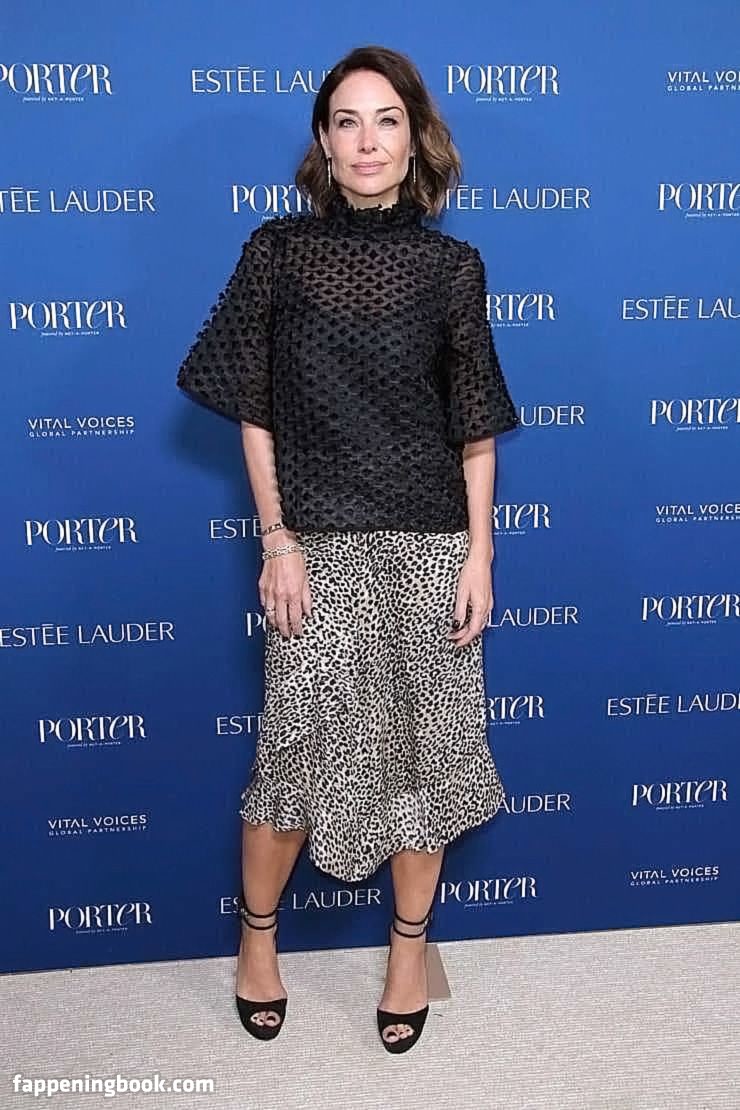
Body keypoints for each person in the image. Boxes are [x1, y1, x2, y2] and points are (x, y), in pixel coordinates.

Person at [176, 43, 519, 1054]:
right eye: (345, 121)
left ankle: (408, 955)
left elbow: (475, 425)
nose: (366, 141)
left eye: (385, 120)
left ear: (415, 140)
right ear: (323, 145)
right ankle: (257, 942)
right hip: (314, 547)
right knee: (293, 752)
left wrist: (479, 555)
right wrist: (276, 539)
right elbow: (253, 406)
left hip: (428, 543)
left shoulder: (453, 267)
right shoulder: (276, 252)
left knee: (424, 756)